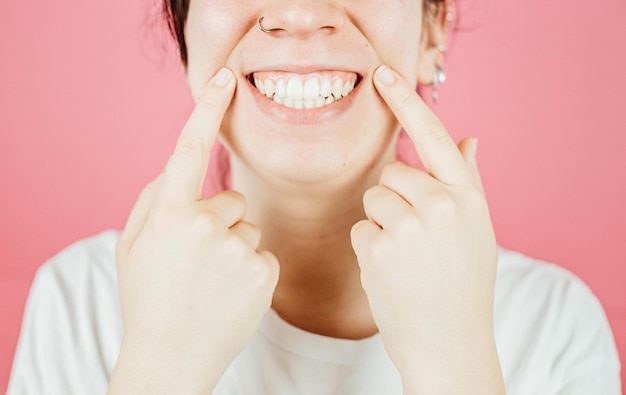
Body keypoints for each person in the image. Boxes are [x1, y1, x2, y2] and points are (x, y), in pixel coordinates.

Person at [8, 0, 622, 394]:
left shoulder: (553, 325)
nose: (300, 15)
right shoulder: (81, 302)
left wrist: (453, 363)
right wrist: (159, 372)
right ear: (185, 30)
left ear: (433, 28)